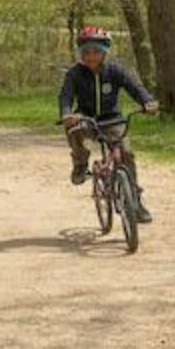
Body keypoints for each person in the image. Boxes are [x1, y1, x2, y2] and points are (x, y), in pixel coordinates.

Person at [60, 25, 158, 223]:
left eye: (96, 52)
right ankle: (80, 165)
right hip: (86, 118)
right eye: (86, 52)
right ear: (81, 53)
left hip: (112, 119)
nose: (91, 56)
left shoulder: (115, 71)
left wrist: (147, 102)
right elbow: (66, 96)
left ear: (105, 52)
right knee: (75, 131)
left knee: (126, 153)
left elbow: (135, 87)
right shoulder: (74, 74)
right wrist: (67, 113)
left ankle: (135, 202)